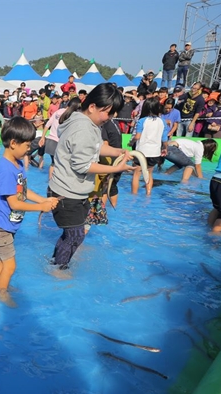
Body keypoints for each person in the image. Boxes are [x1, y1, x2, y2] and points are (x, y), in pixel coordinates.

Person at [48, 83, 133, 271]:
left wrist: (118, 150)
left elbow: (96, 147)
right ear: (93, 106)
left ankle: (56, 263)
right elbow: (82, 165)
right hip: (67, 193)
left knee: (72, 234)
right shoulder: (84, 128)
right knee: (75, 235)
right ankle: (58, 269)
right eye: (108, 112)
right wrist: (116, 168)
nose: (110, 118)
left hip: (71, 191)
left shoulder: (86, 122)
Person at [0, 117, 59, 307]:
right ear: (13, 143)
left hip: (5, 224)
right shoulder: (6, 169)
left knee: (3, 260)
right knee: (11, 265)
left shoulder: (17, 164)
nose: (29, 149)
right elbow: (15, 203)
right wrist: (40, 208)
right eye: (27, 145)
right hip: (1, 225)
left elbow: (23, 191)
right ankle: (1, 293)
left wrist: (43, 199)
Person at [129, 98, 165, 196]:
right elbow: (164, 139)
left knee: (136, 174)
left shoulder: (142, 121)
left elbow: (137, 136)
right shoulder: (162, 122)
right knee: (149, 174)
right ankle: (148, 194)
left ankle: (134, 196)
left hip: (142, 152)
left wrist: (131, 143)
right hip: (155, 152)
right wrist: (165, 148)